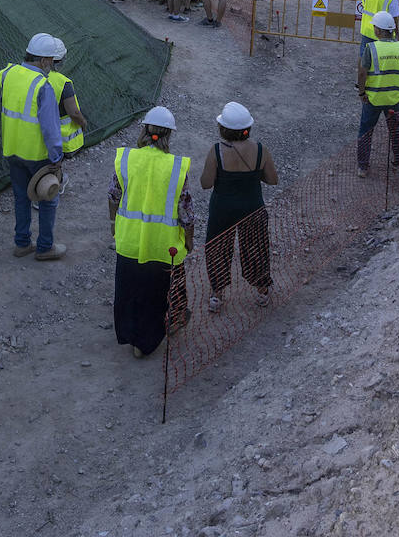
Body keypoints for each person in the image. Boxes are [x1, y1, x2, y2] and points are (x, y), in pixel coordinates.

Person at [110, 106, 193, 358]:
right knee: (154, 295)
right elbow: (186, 212)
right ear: (169, 135)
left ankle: (128, 333)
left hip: (129, 241)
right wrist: (189, 240)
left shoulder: (126, 159)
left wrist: (114, 225)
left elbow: (113, 196)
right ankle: (144, 343)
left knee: (128, 290)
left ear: (144, 130)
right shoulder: (177, 167)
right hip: (162, 246)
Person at [200, 102, 278, 312]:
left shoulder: (217, 151)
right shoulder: (261, 150)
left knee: (218, 249)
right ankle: (262, 291)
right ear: (248, 128)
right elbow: (273, 180)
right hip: (252, 208)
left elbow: (205, 183)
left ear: (223, 129)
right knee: (256, 248)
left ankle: (217, 295)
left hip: (222, 209)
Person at [0, 33, 65, 260]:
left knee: (20, 198)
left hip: (12, 149)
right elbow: (50, 127)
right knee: (48, 199)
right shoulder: (43, 86)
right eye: (53, 62)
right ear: (45, 60)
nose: (53, 67)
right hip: (38, 156)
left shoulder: (8, 74)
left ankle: (22, 243)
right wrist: (56, 155)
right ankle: (45, 247)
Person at [356, 11, 399, 177]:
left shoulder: (371, 48)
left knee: (366, 131)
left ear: (378, 30)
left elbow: (362, 73)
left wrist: (362, 92)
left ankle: (363, 168)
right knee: (396, 130)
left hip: (373, 98)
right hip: (395, 98)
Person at [48, 37, 88, 155]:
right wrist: (83, 123)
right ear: (60, 60)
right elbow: (74, 113)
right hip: (64, 144)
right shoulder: (63, 83)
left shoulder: (33, 75)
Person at [358, 0, 399, 70]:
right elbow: (395, 18)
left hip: (367, 28)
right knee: (380, 59)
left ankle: (360, 83)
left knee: (364, 56)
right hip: (383, 32)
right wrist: (397, 34)